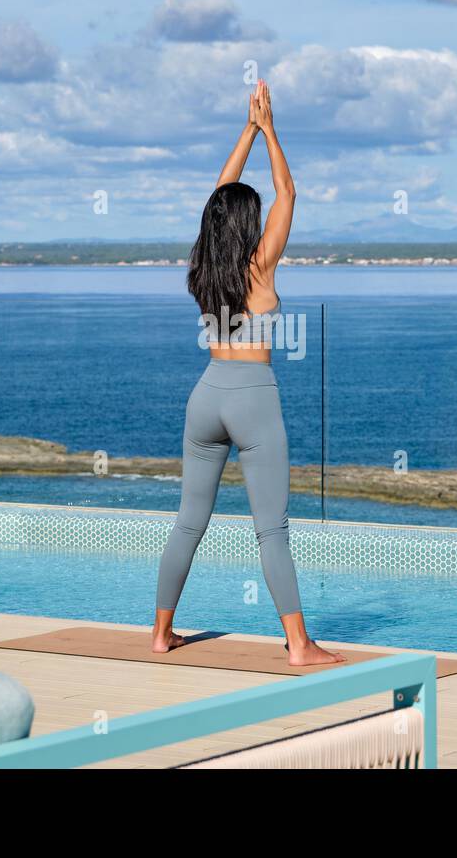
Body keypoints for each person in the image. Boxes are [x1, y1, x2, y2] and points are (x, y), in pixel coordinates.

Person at [151, 80, 343, 666]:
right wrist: (269, 128)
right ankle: (299, 644)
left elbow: (218, 196)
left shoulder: (206, 268)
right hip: (253, 397)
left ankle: (160, 635)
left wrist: (246, 129)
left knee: (189, 521)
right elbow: (288, 188)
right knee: (271, 529)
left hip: (206, 394)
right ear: (249, 224)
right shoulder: (259, 265)